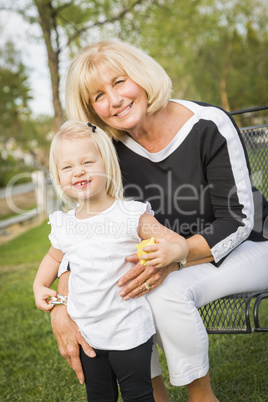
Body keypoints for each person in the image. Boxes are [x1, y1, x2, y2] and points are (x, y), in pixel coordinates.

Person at [50, 39, 268, 402]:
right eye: (98, 97)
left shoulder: (208, 124)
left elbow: (239, 220)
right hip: (171, 258)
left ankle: (201, 396)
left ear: (141, 75)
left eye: (119, 82)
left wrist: (180, 253)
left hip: (252, 246)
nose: (114, 100)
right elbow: (88, 229)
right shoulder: (108, 152)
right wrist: (62, 304)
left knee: (164, 288)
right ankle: (151, 396)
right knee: (123, 285)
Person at [33, 120, 189, 401]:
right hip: (89, 334)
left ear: (105, 164)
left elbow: (176, 241)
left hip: (128, 330)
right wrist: (39, 285)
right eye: (67, 167)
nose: (78, 171)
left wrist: (171, 253)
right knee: (99, 396)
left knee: (138, 394)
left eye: (87, 162)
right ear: (58, 176)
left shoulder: (129, 214)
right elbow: (53, 257)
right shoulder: (65, 224)